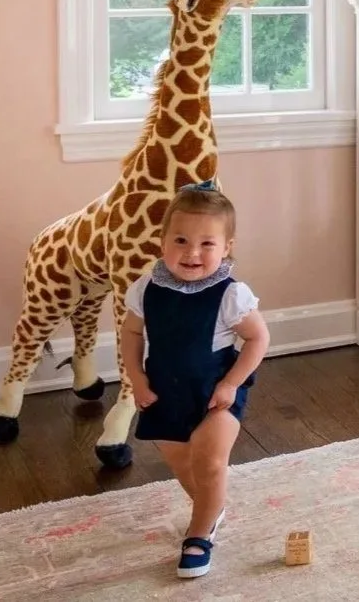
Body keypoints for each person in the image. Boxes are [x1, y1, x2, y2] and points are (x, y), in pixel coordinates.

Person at [119, 180, 269, 579]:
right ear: (162, 240)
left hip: (212, 393)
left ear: (226, 248)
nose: (192, 252)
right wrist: (137, 379)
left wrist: (231, 384)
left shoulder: (230, 295)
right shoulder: (146, 289)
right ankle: (212, 507)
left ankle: (199, 534)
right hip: (162, 393)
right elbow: (131, 335)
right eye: (181, 240)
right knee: (186, 467)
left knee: (210, 461)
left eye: (207, 244)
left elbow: (257, 338)